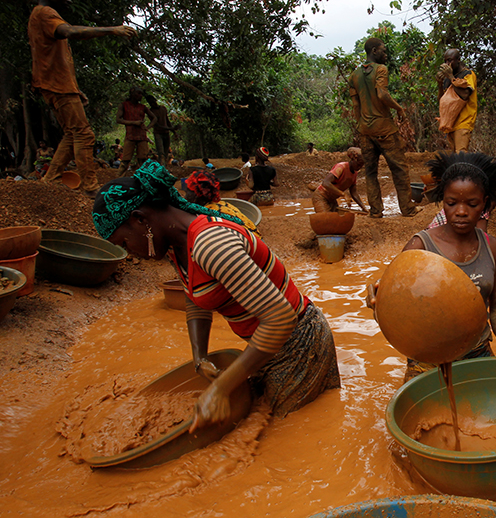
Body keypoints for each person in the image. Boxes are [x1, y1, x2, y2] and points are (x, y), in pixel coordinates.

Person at [92, 160, 340, 425]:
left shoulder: (211, 244)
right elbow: (194, 296)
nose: (131, 254)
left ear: (140, 220)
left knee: (288, 431)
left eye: (124, 243)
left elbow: (280, 319)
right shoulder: (180, 246)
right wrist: (200, 358)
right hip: (269, 348)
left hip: (299, 344)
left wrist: (220, 388)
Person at [396, 152, 496, 382]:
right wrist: (376, 299)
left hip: (477, 351)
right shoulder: (420, 246)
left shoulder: (492, 248)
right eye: (451, 203)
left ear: (485, 204)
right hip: (428, 359)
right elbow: (396, 304)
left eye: (472, 204)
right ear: (443, 201)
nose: (461, 211)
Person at [28, 0, 136, 197]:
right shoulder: (45, 14)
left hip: (58, 85)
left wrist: (75, 88)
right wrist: (112, 30)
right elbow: (71, 32)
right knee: (84, 134)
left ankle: (52, 178)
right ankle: (90, 186)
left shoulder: (37, 16)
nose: (68, 0)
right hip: (57, 85)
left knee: (71, 133)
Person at [348, 38, 420, 218]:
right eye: (383, 51)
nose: (385, 54)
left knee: (371, 173)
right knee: (400, 169)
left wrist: (362, 125)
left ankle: (376, 211)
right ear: (374, 51)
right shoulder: (381, 69)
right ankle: (408, 208)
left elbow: (356, 106)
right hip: (385, 129)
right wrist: (399, 108)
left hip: (365, 131)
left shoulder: (354, 76)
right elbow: (382, 93)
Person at [181, 169, 259, 235]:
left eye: (187, 191)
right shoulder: (222, 204)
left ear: (196, 195)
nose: (185, 195)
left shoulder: (207, 215)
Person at [437, 49, 477, 153]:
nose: (447, 64)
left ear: (458, 60)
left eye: (450, 60)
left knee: (461, 154)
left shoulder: (468, 74)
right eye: (445, 61)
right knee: (455, 156)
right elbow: (442, 101)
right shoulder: (447, 79)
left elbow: (464, 95)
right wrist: (440, 84)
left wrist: (451, 77)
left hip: (464, 121)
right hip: (451, 124)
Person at [312, 147, 367, 213]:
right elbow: (325, 183)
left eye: (361, 165)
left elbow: (354, 193)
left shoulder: (355, 173)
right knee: (326, 219)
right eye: (359, 164)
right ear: (353, 160)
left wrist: (363, 207)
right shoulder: (341, 167)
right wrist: (343, 194)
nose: (359, 167)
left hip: (332, 199)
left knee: (336, 219)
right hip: (321, 196)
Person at [116, 87, 156, 175]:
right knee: (125, 161)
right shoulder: (124, 105)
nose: (140, 96)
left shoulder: (143, 107)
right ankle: (117, 180)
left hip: (142, 136)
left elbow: (154, 118)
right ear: (132, 93)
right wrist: (134, 123)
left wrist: (148, 127)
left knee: (143, 160)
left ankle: (143, 180)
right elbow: (118, 119)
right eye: (138, 93)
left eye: (141, 94)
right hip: (130, 136)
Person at [144, 94, 177, 167]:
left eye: (153, 102)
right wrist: (171, 128)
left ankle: (164, 168)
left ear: (155, 100)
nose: (153, 104)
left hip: (166, 133)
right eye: (151, 103)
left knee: (165, 153)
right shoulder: (151, 112)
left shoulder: (163, 108)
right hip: (158, 133)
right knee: (161, 153)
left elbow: (167, 121)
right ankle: (162, 167)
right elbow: (156, 124)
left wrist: (173, 131)